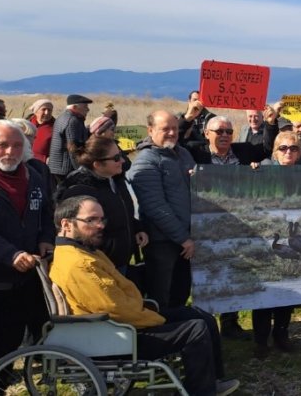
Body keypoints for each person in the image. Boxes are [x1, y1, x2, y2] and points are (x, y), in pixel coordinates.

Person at [49, 195, 239, 396]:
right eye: (91, 220)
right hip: (117, 336)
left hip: (122, 324)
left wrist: (149, 312)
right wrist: (156, 319)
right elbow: (114, 309)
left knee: (200, 316)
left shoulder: (84, 252)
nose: (100, 225)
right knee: (195, 328)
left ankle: (212, 382)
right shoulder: (78, 263)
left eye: (102, 219)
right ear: (66, 224)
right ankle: (200, 392)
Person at [180, 115, 269, 340]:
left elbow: (269, 148)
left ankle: (230, 322)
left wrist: (256, 168)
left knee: (233, 270)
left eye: (229, 131)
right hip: (206, 225)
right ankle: (205, 324)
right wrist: (188, 116)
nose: (225, 136)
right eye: (219, 131)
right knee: (208, 273)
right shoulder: (195, 153)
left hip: (237, 224)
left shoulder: (244, 151)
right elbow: (175, 140)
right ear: (207, 133)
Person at [0, 121, 53, 368]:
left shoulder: (32, 176)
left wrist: (46, 238)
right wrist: (11, 254)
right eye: (1, 145)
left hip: (24, 278)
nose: (10, 152)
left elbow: (46, 211)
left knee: (9, 344)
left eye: (17, 145)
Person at [127, 110, 196, 309]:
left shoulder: (182, 153)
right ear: (150, 130)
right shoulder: (145, 162)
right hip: (163, 242)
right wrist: (183, 238)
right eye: (165, 129)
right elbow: (156, 207)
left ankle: (182, 333)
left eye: (174, 128)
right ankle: (163, 335)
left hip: (186, 240)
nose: (172, 133)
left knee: (181, 292)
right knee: (161, 295)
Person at [250, 131, 301, 356]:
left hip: (291, 235)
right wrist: (252, 172)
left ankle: (282, 334)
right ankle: (260, 340)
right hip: (266, 235)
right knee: (265, 288)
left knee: (289, 289)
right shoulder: (262, 170)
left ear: (299, 152)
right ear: (275, 151)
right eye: (283, 148)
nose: (288, 152)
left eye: (293, 148)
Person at [55, 135, 148, 271]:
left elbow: (121, 212)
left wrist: (137, 228)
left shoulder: (114, 179)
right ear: (97, 164)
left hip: (120, 262)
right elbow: (78, 233)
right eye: (116, 158)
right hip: (99, 266)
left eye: (121, 154)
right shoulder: (79, 190)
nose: (122, 160)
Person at [48, 94, 92, 182]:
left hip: (58, 168)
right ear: (75, 107)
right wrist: (80, 170)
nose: (88, 109)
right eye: (85, 106)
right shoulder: (72, 121)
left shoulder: (63, 117)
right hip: (66, 169)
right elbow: (73, 148)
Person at [28, 98, 54, 163]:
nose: (47, 113)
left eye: (49, 110)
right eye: (44, 109)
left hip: (43, 165)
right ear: (36, 111)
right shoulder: (26, 124)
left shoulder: (55, 127)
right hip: (25, 162)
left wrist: (47, 160)